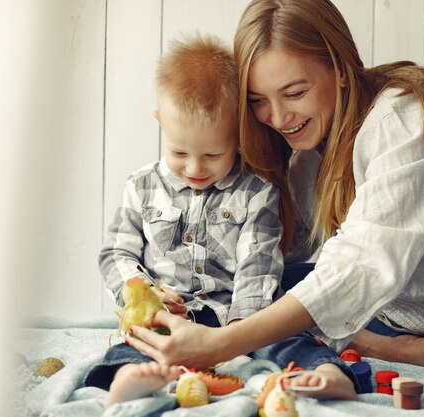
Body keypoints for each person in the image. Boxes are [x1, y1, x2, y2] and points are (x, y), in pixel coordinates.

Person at [126, 0, 424, 390]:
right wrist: (182, 287)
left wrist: (225, 342)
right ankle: (339, 357)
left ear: (338, 67)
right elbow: (277, 259)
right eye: (258, 101)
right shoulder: (306, 162)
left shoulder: (406, 114)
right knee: (257, 283)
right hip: (412, 306)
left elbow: (363, 264)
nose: (279, 118)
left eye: (295, 93)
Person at [84, 33, 358, 407]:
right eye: (180, 152)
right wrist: (145, 293)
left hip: (238, 318)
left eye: (213, 153)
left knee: (287, 337)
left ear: (238, 133)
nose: (195, 168)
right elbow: (116, 252)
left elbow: (257, 268)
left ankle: (328, 374)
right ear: (161, 121)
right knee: (138, 340)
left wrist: (237, 336)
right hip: (168, 315)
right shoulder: (142, 186)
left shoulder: (256, 192)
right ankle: (130, 377)